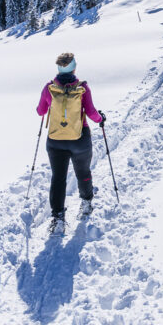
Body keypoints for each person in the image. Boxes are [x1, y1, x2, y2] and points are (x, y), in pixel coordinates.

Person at [35, 52, 106, 233]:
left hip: (56, 141)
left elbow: (40, 112)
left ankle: (58, 220)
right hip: (79, 139)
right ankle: (86, 203)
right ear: (74, 68)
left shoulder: (49, 88)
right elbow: (91, 112)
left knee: (58, 178)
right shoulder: (82, 88)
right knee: (83, 172)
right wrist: (101, 119)